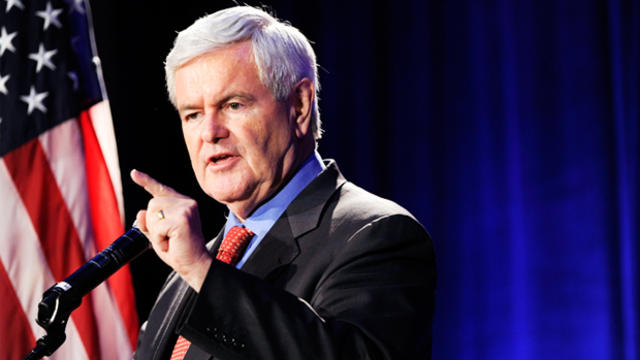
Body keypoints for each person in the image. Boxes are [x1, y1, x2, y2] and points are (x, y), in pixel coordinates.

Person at [132, 5, 436, 360]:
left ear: (300, 105)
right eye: (193, 114)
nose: (209, 133)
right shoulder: (193, 269)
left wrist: (201, 270)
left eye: (233, 105)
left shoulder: (376, 235)